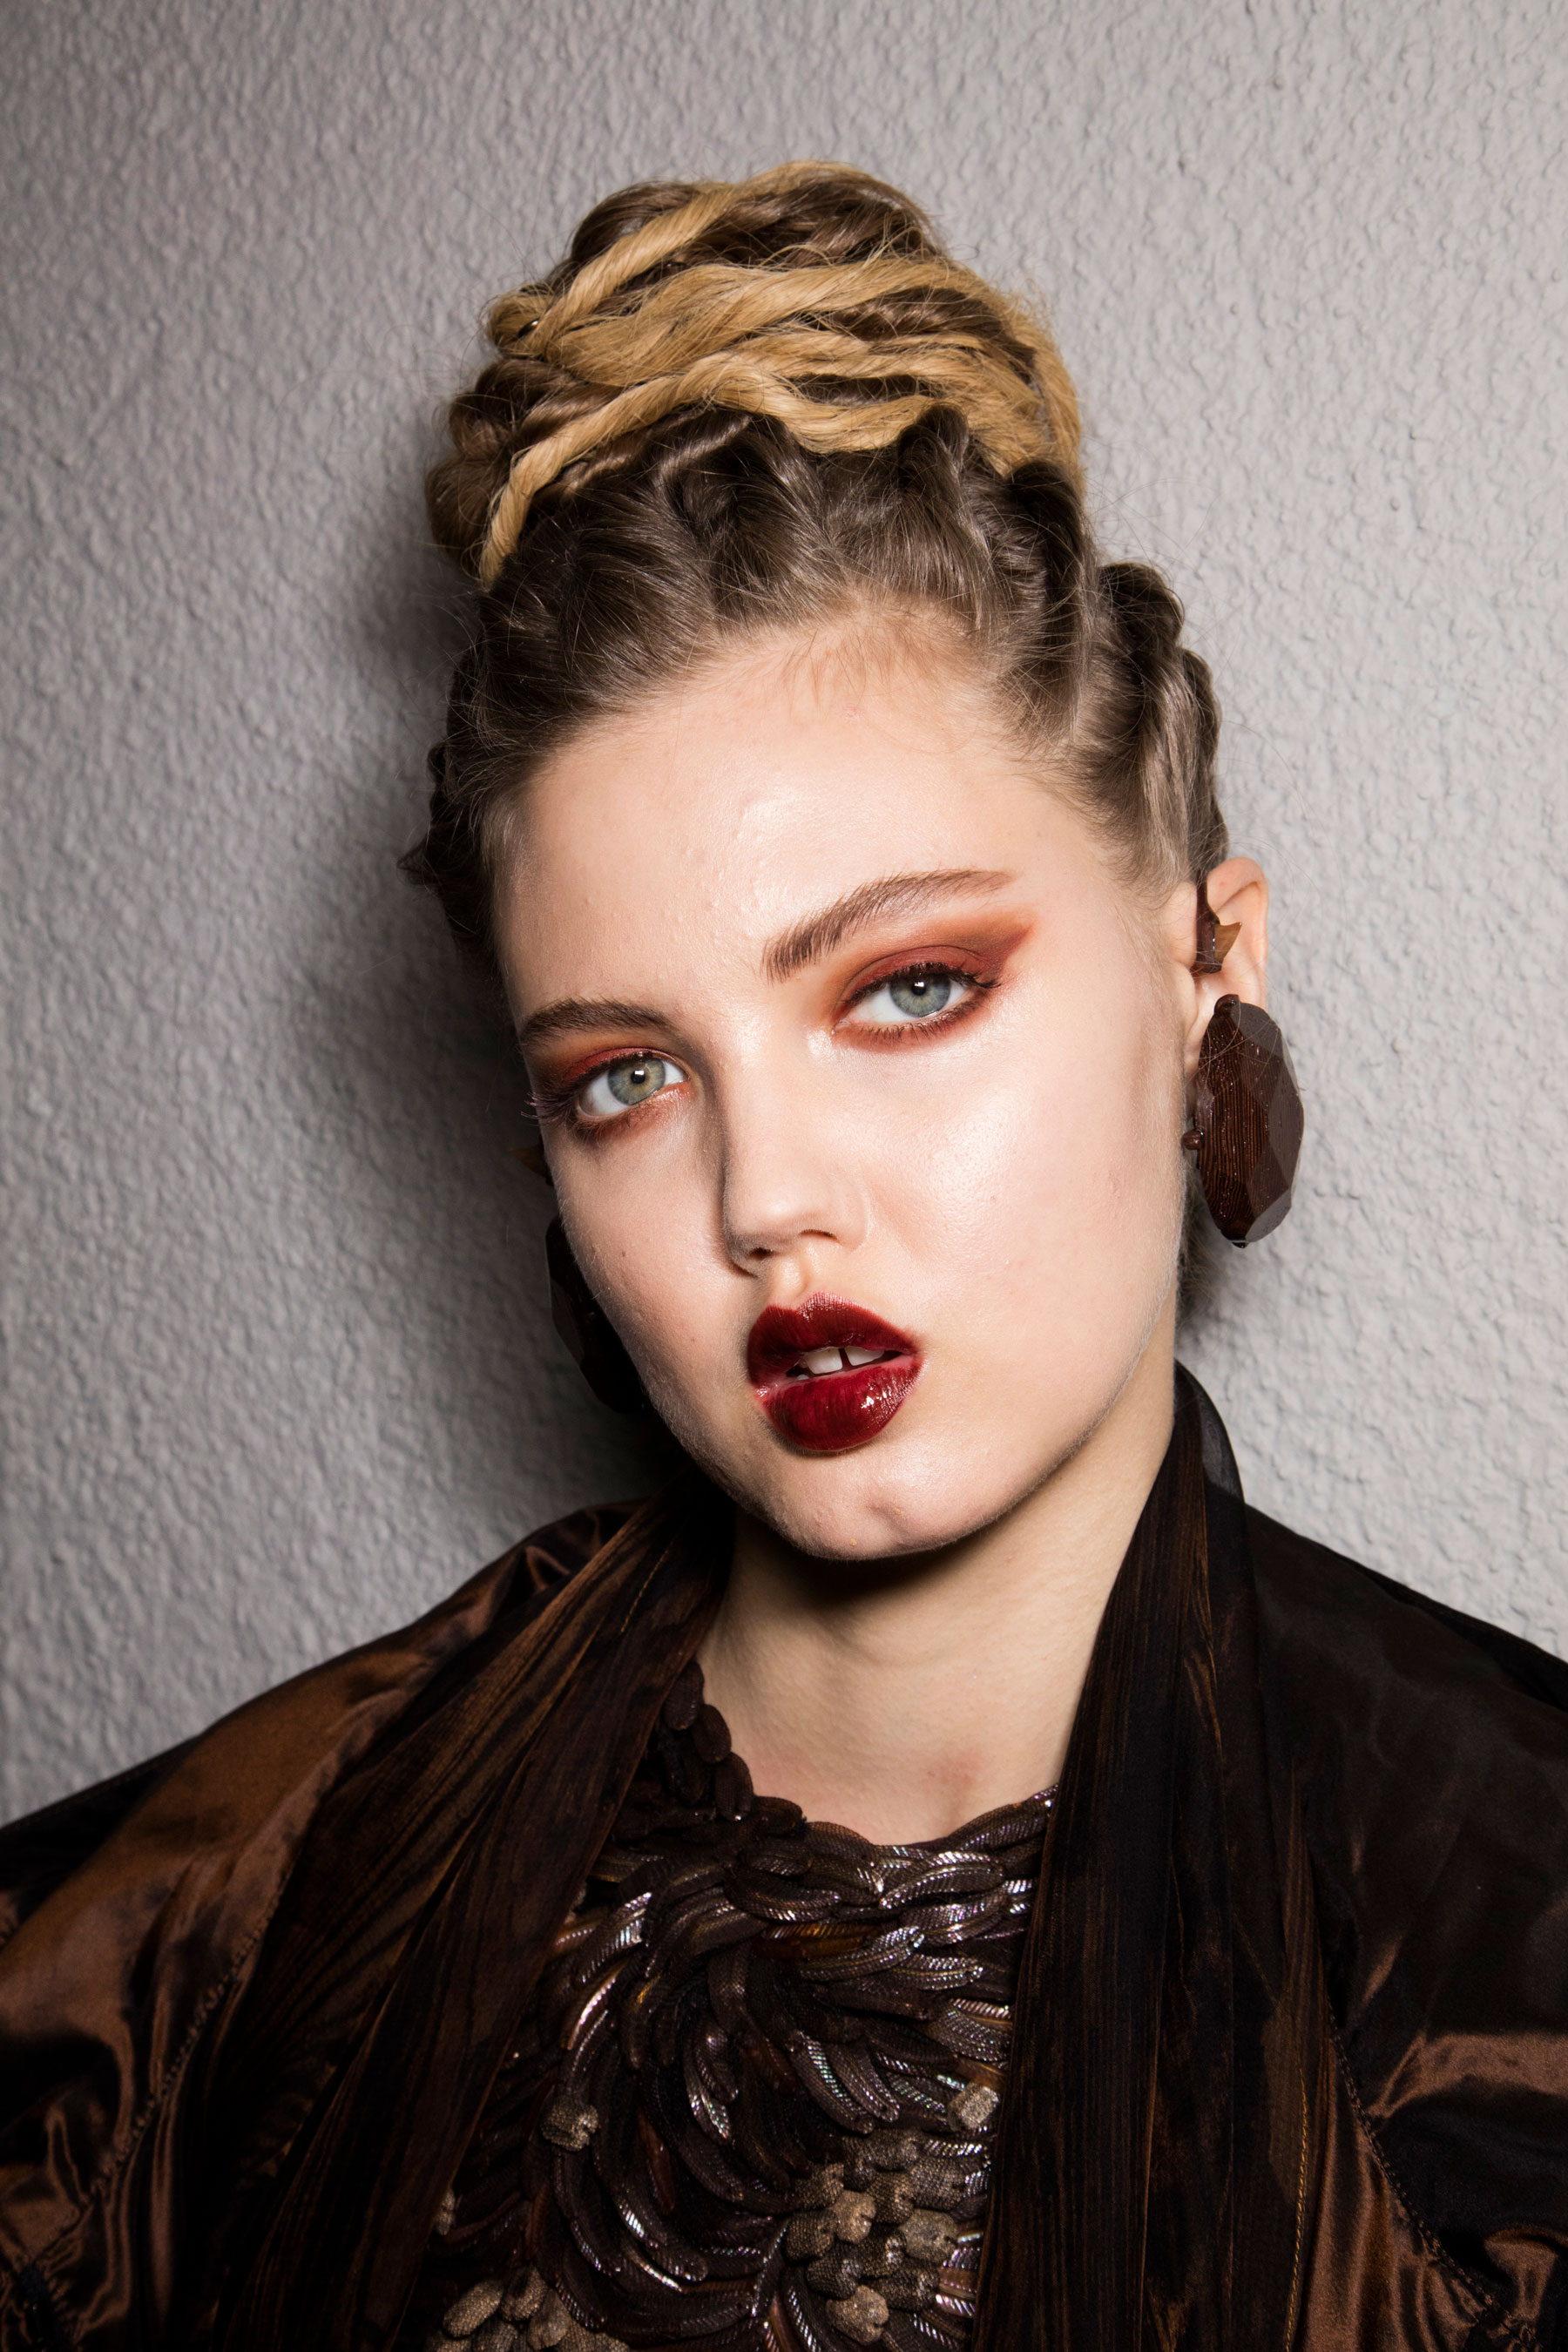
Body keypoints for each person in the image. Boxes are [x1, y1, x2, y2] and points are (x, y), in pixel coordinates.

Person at [1, 160, 1565, 2352]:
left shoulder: (1508, 1992)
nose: (764, 1198)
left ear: (1206, 958)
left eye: (909, 989)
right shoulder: (193, 1958)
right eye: (627, 1078)